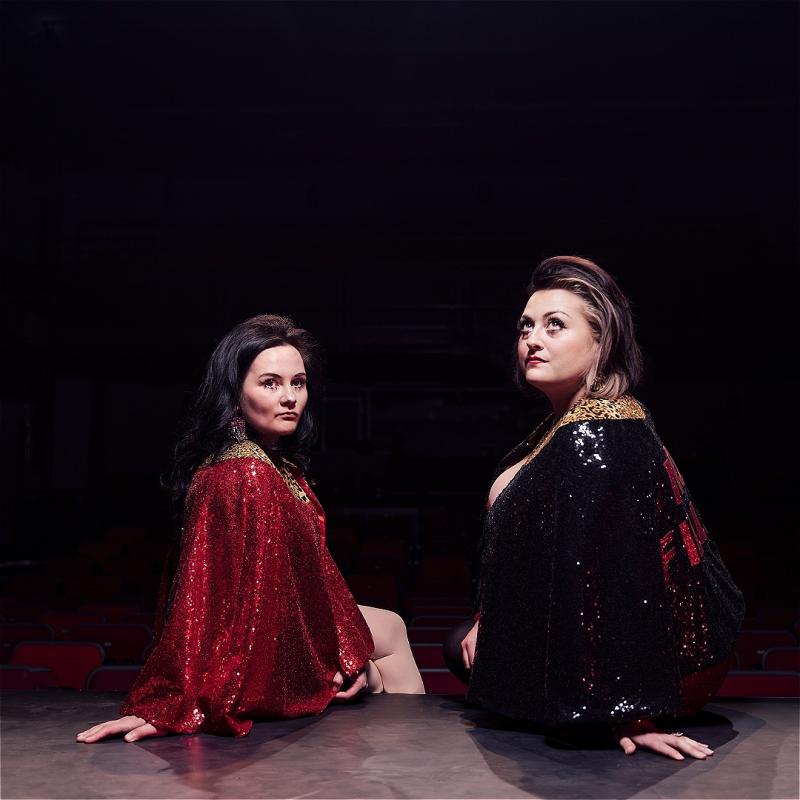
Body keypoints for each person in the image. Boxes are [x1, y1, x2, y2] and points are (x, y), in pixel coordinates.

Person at [444, 256, 744, 761]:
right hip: (601, 632)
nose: (532, 340)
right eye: (526, 327)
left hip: (661, 663)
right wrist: (486, 617)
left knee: (486, 667)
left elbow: (619, 575)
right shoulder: (561, 427)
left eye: (554, 326)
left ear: (602, 343)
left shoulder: (599, 431)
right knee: (461, 647)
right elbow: (531, 555)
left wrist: (629, 709)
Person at [77, 314, 424, 742]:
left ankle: (399, 749)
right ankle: (408, 753)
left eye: (298, 383)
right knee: (382, 653)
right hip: (263, 644)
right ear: (235, 392)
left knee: (388, 629)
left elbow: (305, 576)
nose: (289, 398)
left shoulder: (268, 463)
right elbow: (201, 595)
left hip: (286, 620)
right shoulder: (246, 472)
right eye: (270, 383)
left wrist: (343, 645)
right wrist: (176, 699)